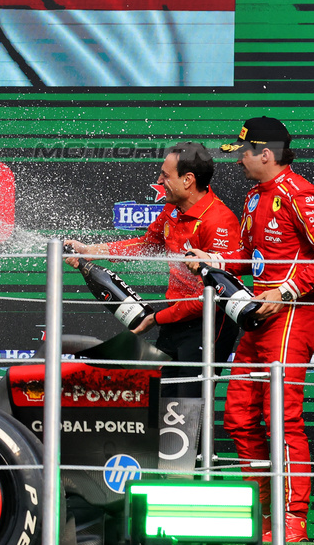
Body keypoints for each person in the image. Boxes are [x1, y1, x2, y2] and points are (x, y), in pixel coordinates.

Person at [189, 116, 314, 543]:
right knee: (239, 416)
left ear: (266, 154)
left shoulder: (300, 193)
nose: (238, 161)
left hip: (292, 316)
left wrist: (288, 290)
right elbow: (247, 258)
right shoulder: (255, 197)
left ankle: (293, 521)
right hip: (257, 316)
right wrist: (213, 261)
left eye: (244, 153)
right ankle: (264, 514)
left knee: (282, 417)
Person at [65, 142, 241, 398]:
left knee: (189, 409)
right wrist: (91, 250)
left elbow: (214, 298)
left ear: (188, 179)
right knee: (161, 404)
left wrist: (156, 319)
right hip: (173, 320)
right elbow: (147, 245)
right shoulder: (173, 208)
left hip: (206, 326)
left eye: (165, 175)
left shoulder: (219, 221)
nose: (158, 180)